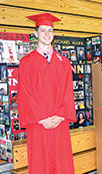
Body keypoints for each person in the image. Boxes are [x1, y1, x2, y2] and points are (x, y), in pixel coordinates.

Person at [18, 13, 76, 174]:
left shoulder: (64, 62)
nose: (47, 34)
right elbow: (25, 94)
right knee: (40, 164)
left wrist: (60, 116)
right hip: (38, 124)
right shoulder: (27, 63)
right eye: (43, 30)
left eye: (50, 31)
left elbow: (68, 92)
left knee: (62, 163)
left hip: (60, 123)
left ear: (54, 34)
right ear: (35, 34)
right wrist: (42, 118)